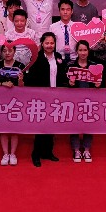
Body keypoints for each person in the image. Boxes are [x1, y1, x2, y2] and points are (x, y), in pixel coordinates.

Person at [25, 32, 66, 167]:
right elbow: (31, 79)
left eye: (52, 43)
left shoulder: (58, 57)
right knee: (41, 128)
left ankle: (48, 152)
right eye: (47, 43)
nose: (49, 45)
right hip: (41, 98)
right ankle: (36, 155)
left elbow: (62, 76)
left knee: (52, 126)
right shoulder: (36, 58)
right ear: (42, 44)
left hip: (56, 98)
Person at [0, 43, 26, 165]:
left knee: (14, 128)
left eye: (10, 50)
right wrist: (3, 84)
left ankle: (13, 154)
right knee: (3, 128)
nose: (7, 53)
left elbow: (23, 86)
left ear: (14, 51)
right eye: (4, 51)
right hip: (1, 101)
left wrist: (20, 80)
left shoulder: (20, 66)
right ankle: (5, 154)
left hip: (16, 101)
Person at [66, 41, 98, 162]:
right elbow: (63, 85)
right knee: (74, 125)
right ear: (76, 52)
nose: (83, 53)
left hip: (90, 102)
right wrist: (70, 84)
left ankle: (86, 149)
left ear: (88, 51)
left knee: (88, 125)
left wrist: (98, 85)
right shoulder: (70, 66)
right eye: (80, 50)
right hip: (74, 102)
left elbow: (100, 86)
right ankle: (76, 149)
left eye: (85, 50)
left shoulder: (94, 66)